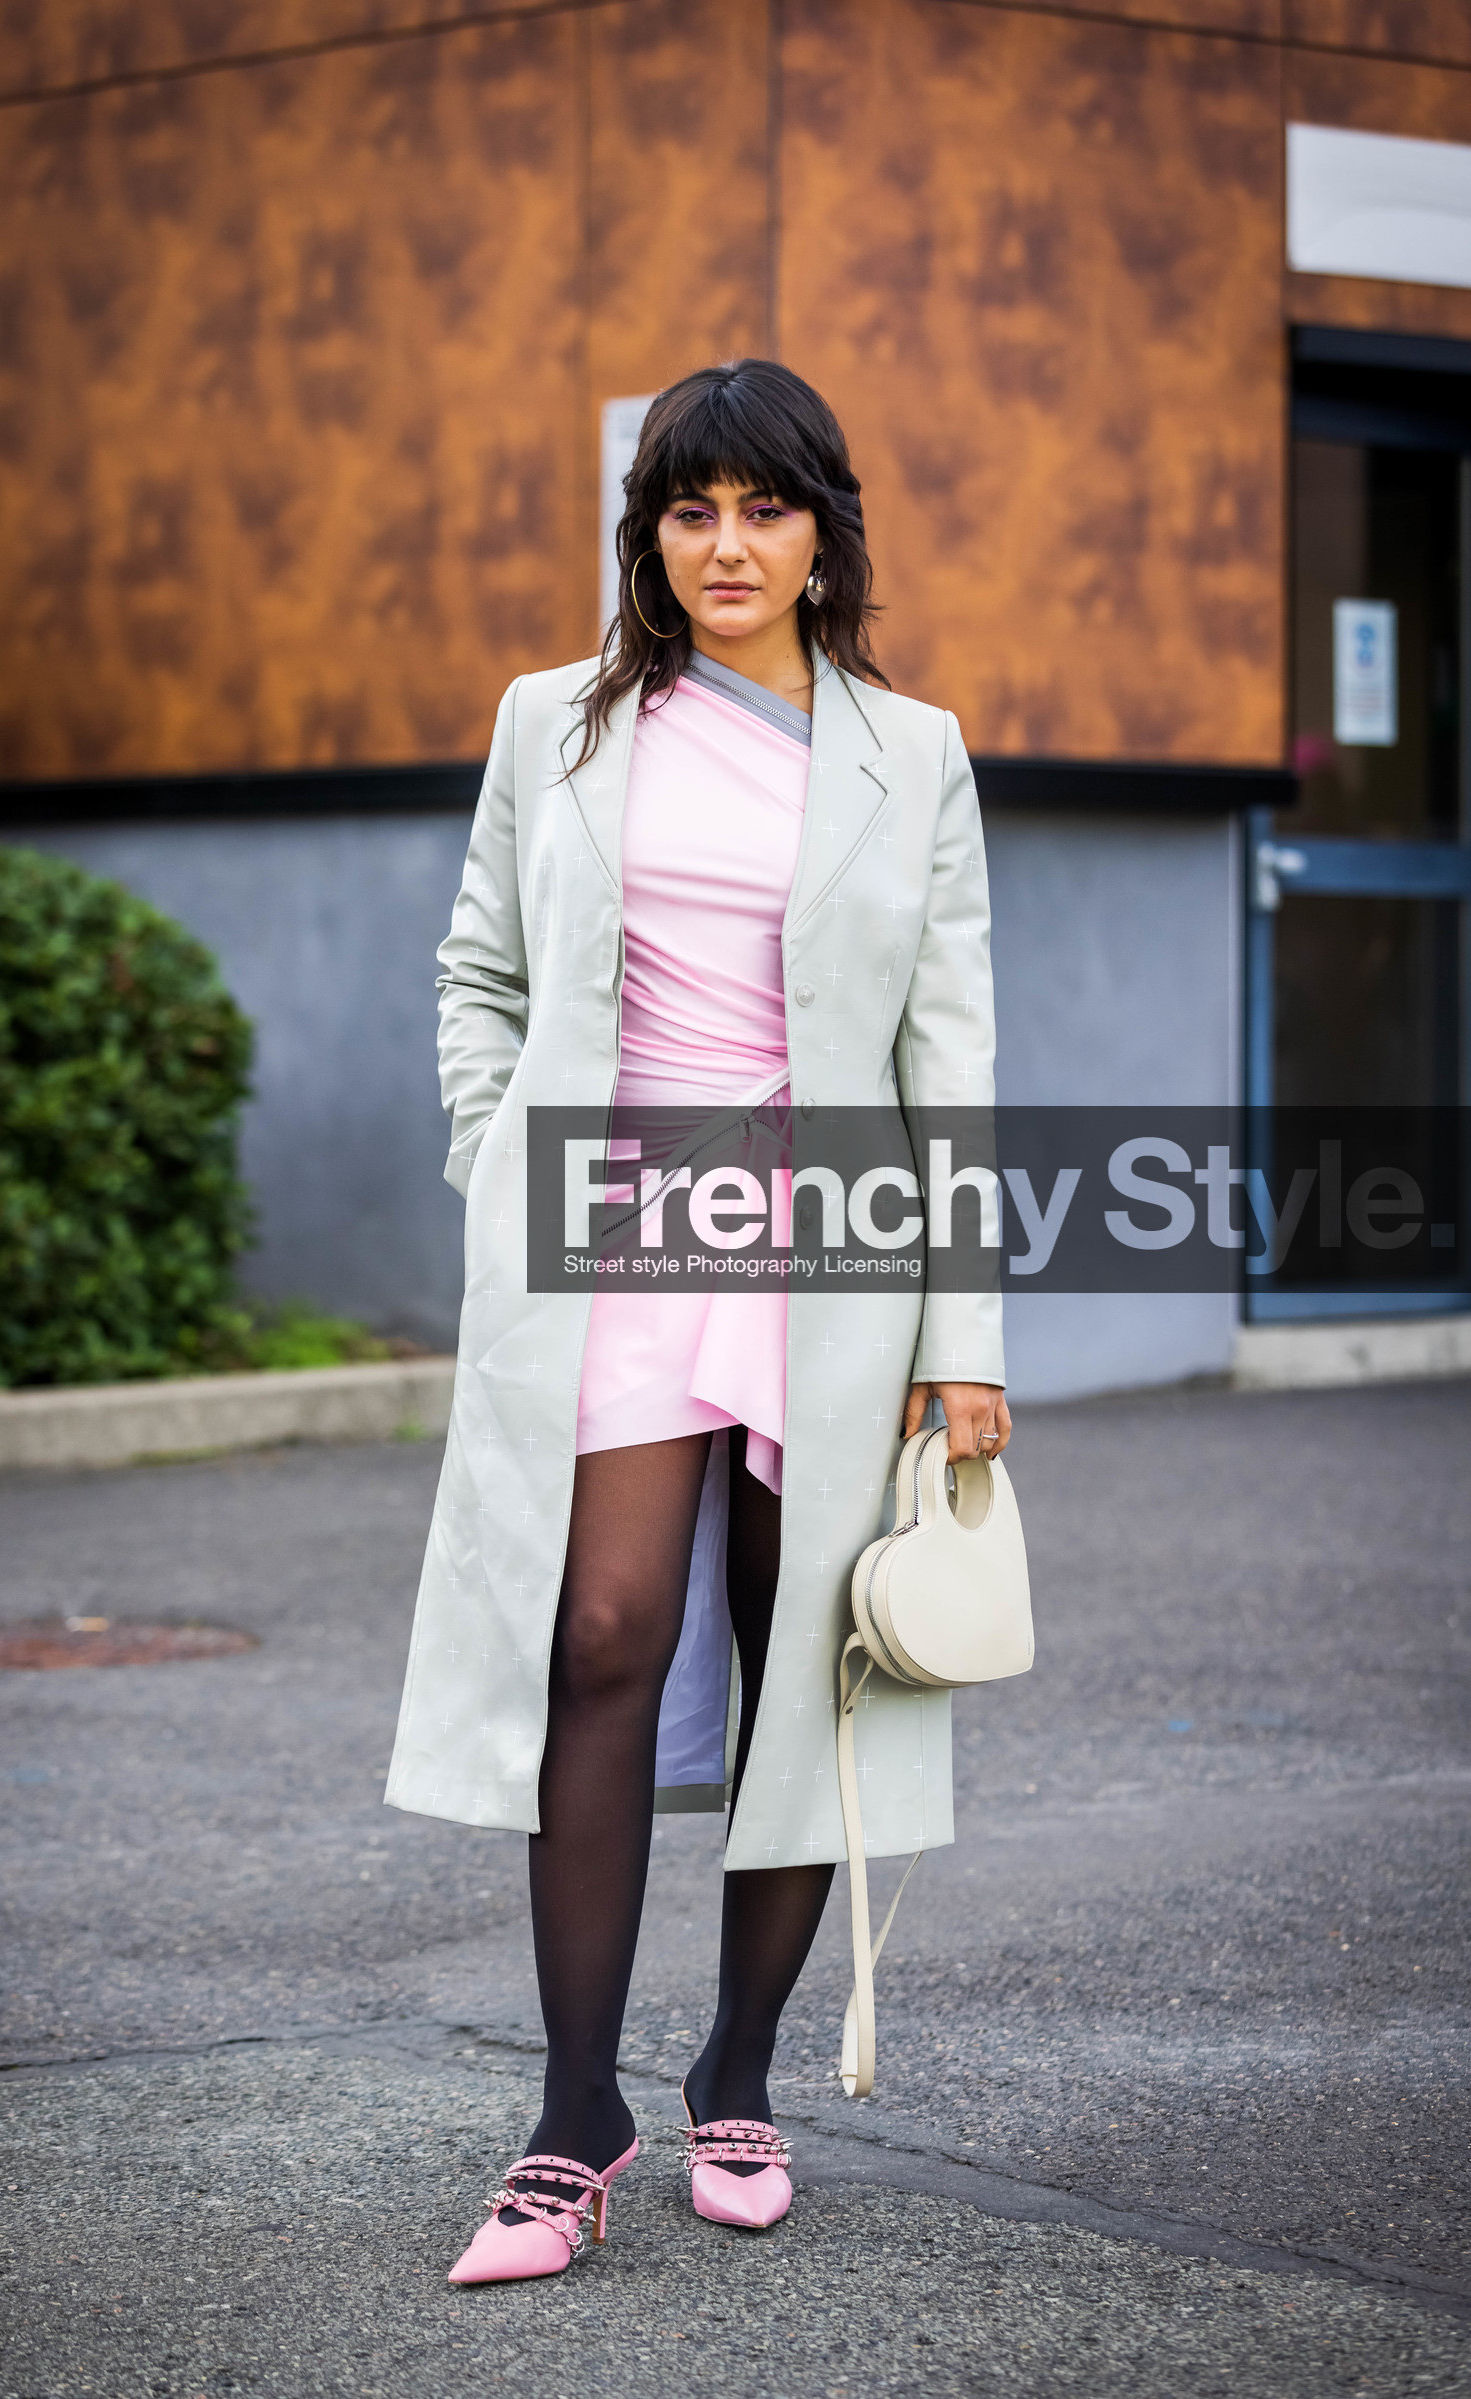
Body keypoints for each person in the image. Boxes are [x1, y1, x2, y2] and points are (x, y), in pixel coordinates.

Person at [384, 359, 1009, 2283]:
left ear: (825, 532)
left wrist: (961, 1330)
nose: (725, 545)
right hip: (619, 1216)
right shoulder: (555, 728)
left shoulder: (915, 754)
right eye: (689, 510)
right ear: (649, 533)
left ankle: (737, 2066)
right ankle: (575, 2112)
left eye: (765, 508)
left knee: (798, 1656)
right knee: (602, 1631)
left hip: (836, 1240)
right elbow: (479, 971)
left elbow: (950, 1053)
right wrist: (505, 1165)